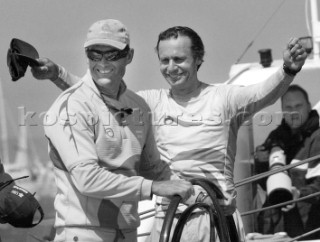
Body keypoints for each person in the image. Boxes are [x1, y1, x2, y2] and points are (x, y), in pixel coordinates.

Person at [31, 25, 307, 241]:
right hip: (169, 219)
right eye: (165, 60)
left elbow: (262, 94)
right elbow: (99, 97)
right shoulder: (148, 103)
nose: (171, 67)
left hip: (216, 219)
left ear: (198, 59)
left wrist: (288, 69)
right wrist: (59, 74)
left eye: (179, 59)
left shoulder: (225, 99)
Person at [39, 19, 196, 242]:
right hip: (83, 234)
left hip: (128, 234)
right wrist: (155, 187)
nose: (102, 62)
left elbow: (153, 168)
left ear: (129, 56)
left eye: (112, 54)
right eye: (95, 54)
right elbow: (87, 178)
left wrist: (194, 191)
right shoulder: (71, 106)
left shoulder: (139, 106)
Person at [254, 84, 320, 239]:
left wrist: (299, 194)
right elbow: (265, 184)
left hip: (307, 232)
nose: (293, 112)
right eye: (288, 107)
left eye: (298, 105)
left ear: (309, 106)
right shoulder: (275, 137)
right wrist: (262, 162)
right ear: (282, 111)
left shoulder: (317, 139)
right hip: (274, 231)